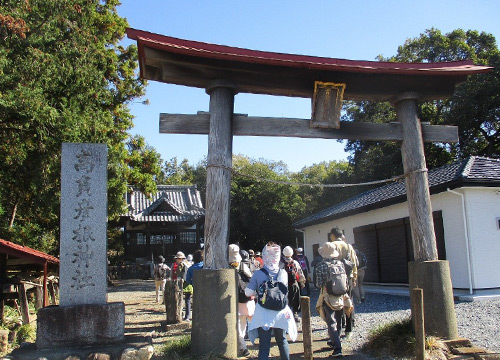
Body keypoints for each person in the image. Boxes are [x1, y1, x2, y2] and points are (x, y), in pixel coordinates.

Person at [245, 242, 297, 360]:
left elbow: (248, 292)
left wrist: (256, 291)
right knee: (282, 341)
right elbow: (284, 290)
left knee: (264, 344)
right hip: (281, 311)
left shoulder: (258, 274)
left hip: (264, 313)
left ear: (264, 255)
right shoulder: (283, 273)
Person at [315, 242, 353, 358]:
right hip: (341, 295)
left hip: (327, 296)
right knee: (339, 319)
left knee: (331, 322)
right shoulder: (340, 263)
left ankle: (337, 348)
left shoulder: (321, 265)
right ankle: (335, 341)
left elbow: (318, 284)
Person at [328, 227, 358, 338]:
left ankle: (337, 330)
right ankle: (349, 329)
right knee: (348, 301)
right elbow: (354, 263)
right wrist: (354, 277)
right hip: (348, 277)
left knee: (335, 303)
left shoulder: (331, 245)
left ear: (332, 235)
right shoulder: (348, 246)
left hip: (335, 278)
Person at [229, 244, 255, 357]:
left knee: (238, 325)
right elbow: (252, 279)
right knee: (244, 324)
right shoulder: (243, 266)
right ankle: (243, 345)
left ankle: (242, 346)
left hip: (235, 301)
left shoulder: (226, 266)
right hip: (247, 300)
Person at [281, 246, 305, 323]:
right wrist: (302, 283)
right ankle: (295, 315)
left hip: (284, 285)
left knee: (286, 301)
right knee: (295, 300)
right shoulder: (295, 262)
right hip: (294, 284)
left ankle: (286, 317)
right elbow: (300, 273)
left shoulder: (280, 263)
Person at [171, 251, 192, 321]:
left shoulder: (182, 265)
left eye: (177, 259)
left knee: (185, 300)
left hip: (184, 284)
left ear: (180, 259)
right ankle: (186, 316)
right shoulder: (188, 263)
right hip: (188, 284)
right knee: (186, 300)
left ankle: (186, 316)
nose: (176, 260)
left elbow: (182, 275)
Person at [185, 249, 204, 321]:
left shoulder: (190, 269)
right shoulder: (205, 266)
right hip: (206, 288)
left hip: (195, 288)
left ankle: (191, 317)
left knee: (194, 302)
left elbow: (188, 281)